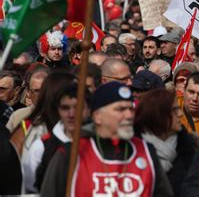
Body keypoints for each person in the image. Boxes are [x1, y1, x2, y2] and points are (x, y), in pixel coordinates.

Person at [40, 81, 173, 196]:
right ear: (98, 116)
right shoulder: (72, 153)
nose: (128, 115)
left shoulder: (146, 151)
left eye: (130, 109)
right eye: (120, 109)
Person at [23, 82, 90, 193]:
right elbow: (30, 188)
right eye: (65, 108)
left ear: (88, 110)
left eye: (78, 107)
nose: (71, 114)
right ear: (58, 110)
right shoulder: (41, 147)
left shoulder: (99, 144)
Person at [135, 88, 198, 196]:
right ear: (158, 114)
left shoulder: (194, 145)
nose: (180, 114)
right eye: (174, 110)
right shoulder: (133, 150)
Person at [6, 65, 50, 132]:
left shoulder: (63, 116)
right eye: (37, 91)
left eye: (45, 89)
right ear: (29, 92)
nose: (42, 94)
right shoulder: (18, 116)